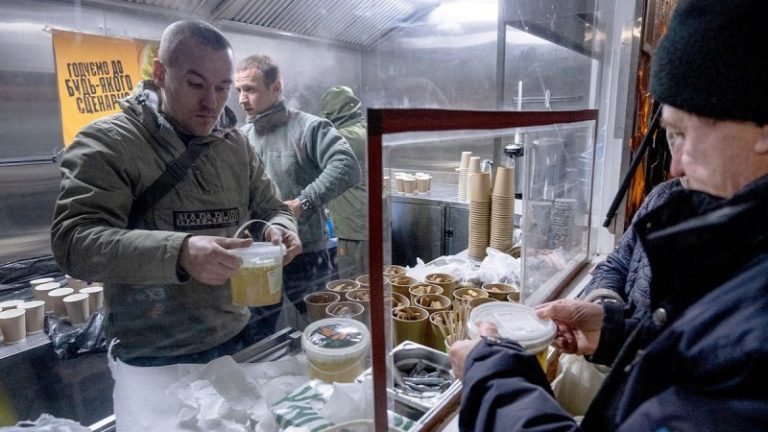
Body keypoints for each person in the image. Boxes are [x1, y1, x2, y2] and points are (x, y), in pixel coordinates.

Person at [450, 0, 768, 430]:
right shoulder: (714, 227)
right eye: (669, 138)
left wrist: (491, 378)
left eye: (681, 134)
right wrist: (614, 329)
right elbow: (696, 352)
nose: (675, 166)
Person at [51, 20, 301, 367]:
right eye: (195, 84)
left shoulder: (235, 145)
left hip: (236, 332)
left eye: (222, 88)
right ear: (160, 73)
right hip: (154, 350)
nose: (211, 103)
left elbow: (273, 207)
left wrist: (281, 228)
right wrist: (180, 252)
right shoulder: (108, 142)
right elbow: (74, 243)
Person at [235, 55, 361, 330]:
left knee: (326, 328)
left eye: (250, 89)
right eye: (239, 90)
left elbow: (347, 166)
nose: (242, 99)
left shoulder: (309, 127)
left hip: (306, 252)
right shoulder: (241, 137)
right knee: (257, 333)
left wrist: (303, 202)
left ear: (276, 87)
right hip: (258, 256)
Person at [320, 85, 369, 279]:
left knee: (354, 285)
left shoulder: (345, 137)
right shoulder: (364, 129)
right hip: (370, 221)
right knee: (371, 281)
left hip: (354, 227)